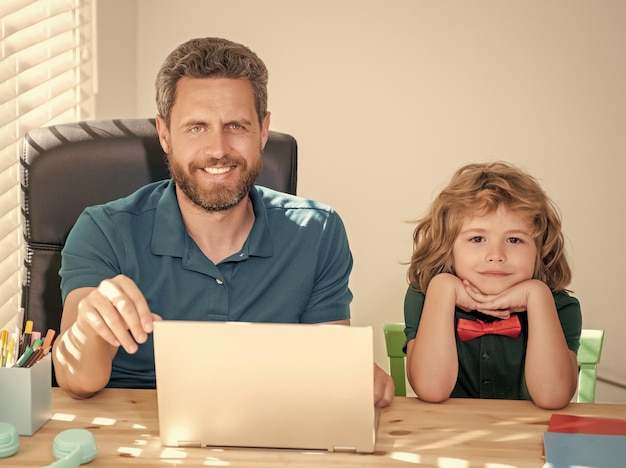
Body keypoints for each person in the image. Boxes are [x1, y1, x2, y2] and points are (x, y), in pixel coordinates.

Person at [53, 37, 394, 406]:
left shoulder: (318, 232)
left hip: (268, 429)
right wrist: (88, 327)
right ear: (165, 134)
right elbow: (76, 381)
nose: (218, 149)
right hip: (133, 437)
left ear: (263, 131)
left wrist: (351, 375)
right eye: (196, 127)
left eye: (236, 126)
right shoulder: (103, 231)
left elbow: (330, 368)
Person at [404, 161, 581, 410]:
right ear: (448, 249)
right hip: (447, 440)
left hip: (528, 443)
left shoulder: (560, 306)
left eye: (514, 239)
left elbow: (552, 397)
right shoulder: (425, 297)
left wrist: (538, 296)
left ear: (541, 251)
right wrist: (442, 287)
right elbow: (432, 389)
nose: (496, 254)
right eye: (477, 238)